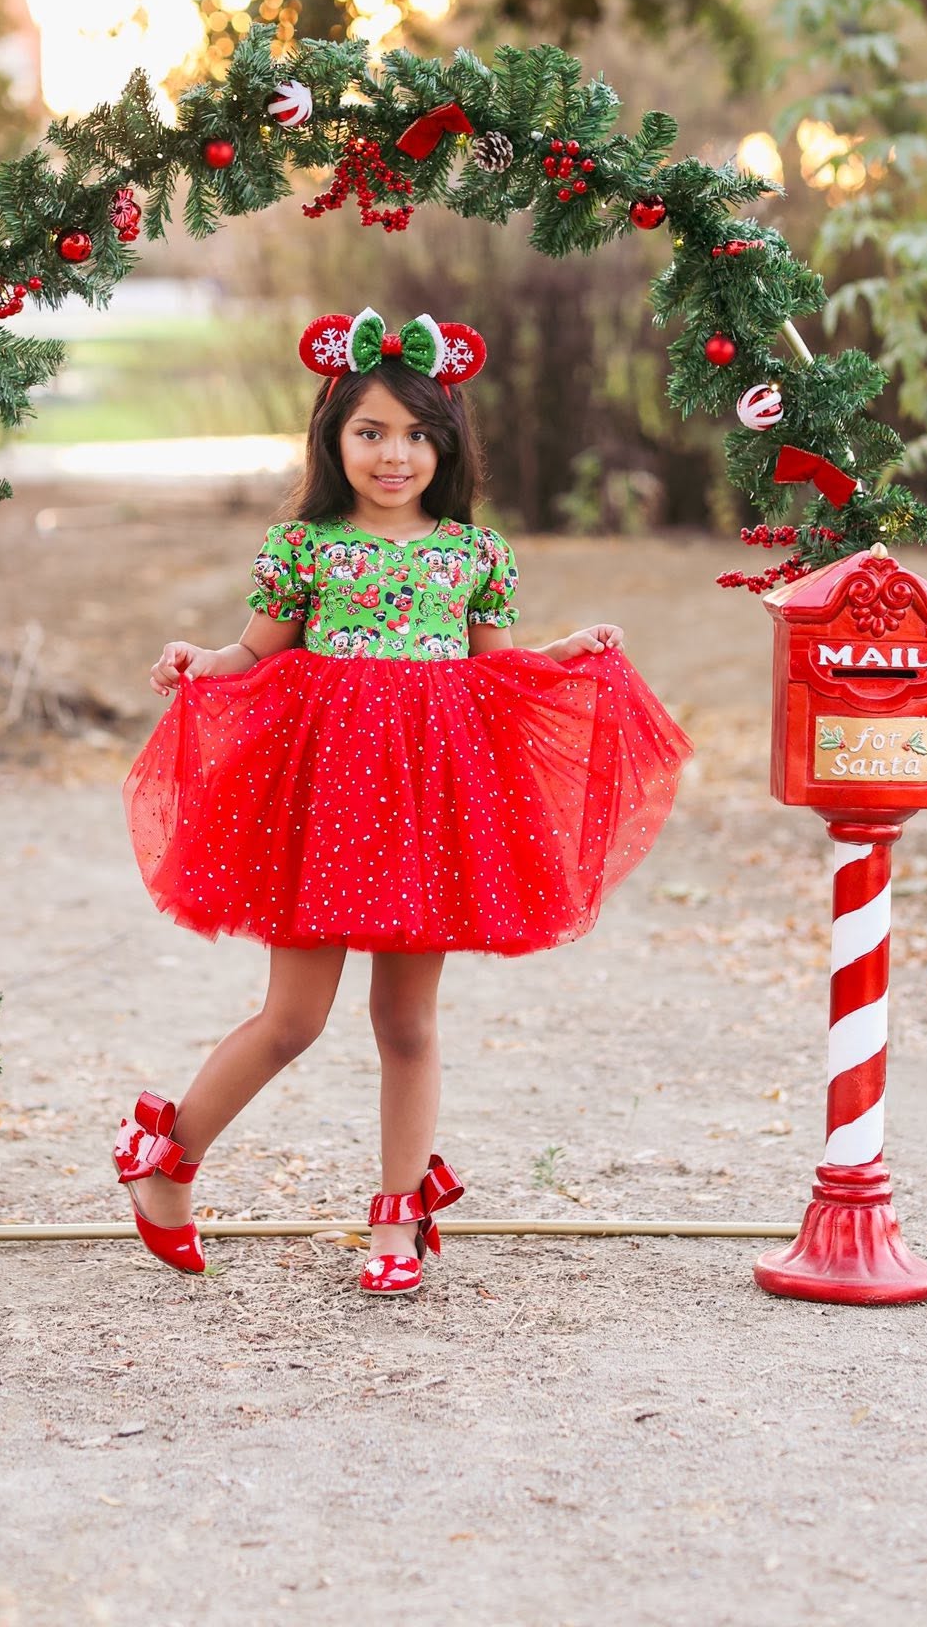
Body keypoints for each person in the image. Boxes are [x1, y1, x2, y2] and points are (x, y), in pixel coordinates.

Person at [116, 307, 692, 1295]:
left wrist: (561, 657)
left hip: (426, 797)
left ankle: (398, 1216)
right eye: (371, 431)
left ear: (446, 445)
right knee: (292, 1017)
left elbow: (495, 669)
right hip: (328, 792)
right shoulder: (305, 545)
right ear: (333, 440)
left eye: (418, 434)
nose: (395, 454)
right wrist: (199, 663)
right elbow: (257, 647)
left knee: (407, 1022)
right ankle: (165, 1162)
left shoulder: (474, 554)